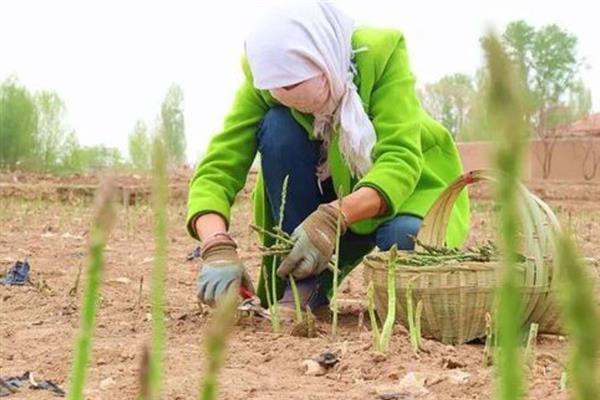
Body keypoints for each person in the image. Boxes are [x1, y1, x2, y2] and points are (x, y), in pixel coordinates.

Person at [186, 1, 470, 310]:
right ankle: (304, 282)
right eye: (278, 89)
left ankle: (408, 300)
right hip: (329, 192)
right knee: (279, 126)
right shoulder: (264, 78)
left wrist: (335, 217)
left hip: (409, 188)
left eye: (295, 84)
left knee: (407, 238)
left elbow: (400, 159)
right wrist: (216, 245)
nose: (286, 94)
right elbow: (218, 167)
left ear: (321, 60)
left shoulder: (380, 54)